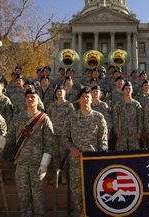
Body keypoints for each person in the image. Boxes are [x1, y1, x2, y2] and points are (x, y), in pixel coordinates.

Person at [0, 88, 54, 217]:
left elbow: (50, 143)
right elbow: (10, 140)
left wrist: (44, 164)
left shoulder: (44, 119)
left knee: (38, 197)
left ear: (38, 100)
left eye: (33, 97)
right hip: (21, 164)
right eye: (28, 96)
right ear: (25, 99)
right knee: (23, 197)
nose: (30, 99)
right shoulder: (18, 118)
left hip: (38, 164)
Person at [62, 87, 108, 217]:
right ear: (79, 100)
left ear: (92, 99)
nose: (85, 99)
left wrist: (100, 157)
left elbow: (103, 141)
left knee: (93, 190)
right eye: (83, 97)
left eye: (87, 97)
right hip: (76, 161)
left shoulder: (99, 117)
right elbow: (65, 137)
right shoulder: (72, 118)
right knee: (77, 192)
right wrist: (71, 148)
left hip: (93, 162)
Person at [47, 85, 75, 184]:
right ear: (55, 93)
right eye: (58, 91)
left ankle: (63, 176)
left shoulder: (69, 105)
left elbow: (72, 120)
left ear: (65, 92)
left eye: (61, 91)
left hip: (64, 134)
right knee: (55, 156)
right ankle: (55, 176)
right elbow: (48, 119)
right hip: (53, 134)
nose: (59, 93)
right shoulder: (51, 105)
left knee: (64, 156)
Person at [112, 81, 143, 151]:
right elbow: (115, 119)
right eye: (126, 88)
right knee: (121, 154)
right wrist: (117, 132)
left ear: (132, 90)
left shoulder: (136, 104)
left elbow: (140, 119)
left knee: (134, 154)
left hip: (134, 134)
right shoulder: (118, 104)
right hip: (122, 134)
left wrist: (139, 132)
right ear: (123, 91)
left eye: (129, 88)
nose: (128, 90)